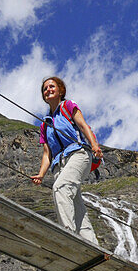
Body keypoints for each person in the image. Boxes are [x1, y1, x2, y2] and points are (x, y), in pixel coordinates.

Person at [31, 76, 102, 245]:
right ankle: (93, 246)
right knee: (77, 209)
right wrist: (41, 174)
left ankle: (68, 235)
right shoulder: (45, 124)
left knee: (60, 188)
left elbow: (84, 126)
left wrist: (94, 145)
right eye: (45, 89)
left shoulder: (68, 106)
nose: (48, 90)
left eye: (51, 86)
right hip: (59, 166)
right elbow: (47, 153)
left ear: (60, 90)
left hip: (78, 154)